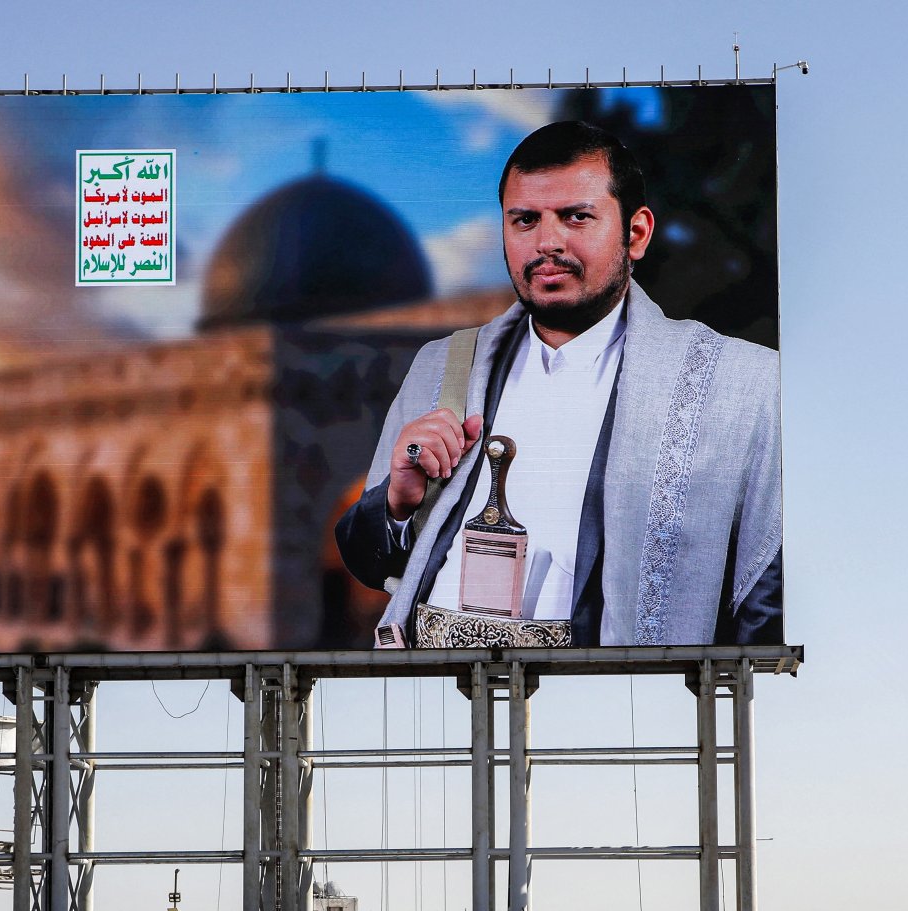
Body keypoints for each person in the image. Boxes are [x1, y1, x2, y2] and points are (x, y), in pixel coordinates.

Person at [335, 119, 783, 650]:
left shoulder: (739, 383)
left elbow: (766, 590)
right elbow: (368, 560)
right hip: (443, 692)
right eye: (525, 220)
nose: (548, 242)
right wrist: (398, 504)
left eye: (576, 217)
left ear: (636, 234)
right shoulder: (445, 366)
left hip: (610, 699)